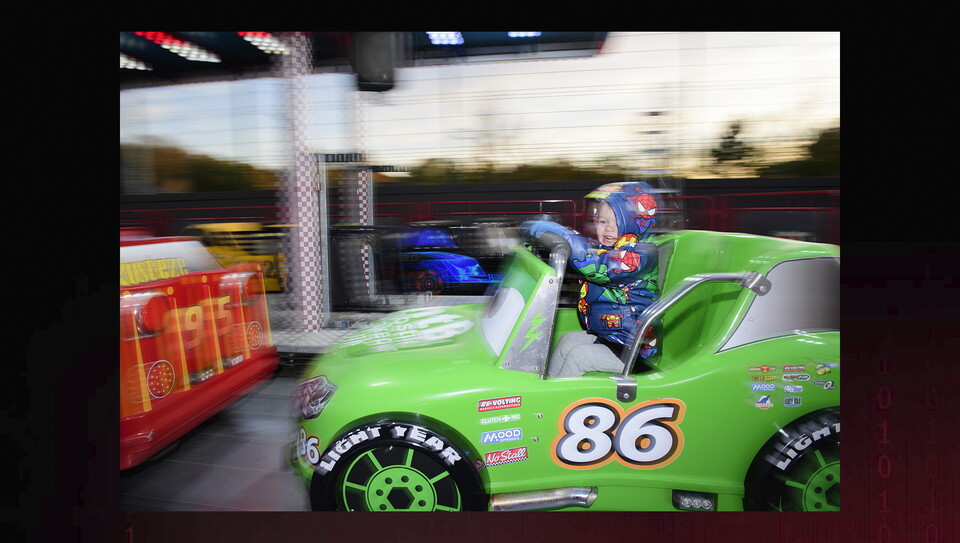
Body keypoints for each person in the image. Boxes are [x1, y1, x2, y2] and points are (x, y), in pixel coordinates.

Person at [521, 182, 661, 377]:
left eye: (617, 222)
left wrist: (562, 233)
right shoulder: (606, 249)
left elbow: (598, 266)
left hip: (636, 349)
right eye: (602, 222)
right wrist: (539, 243)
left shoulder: (643, 254)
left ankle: (560, 402)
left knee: (579, 356)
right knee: (566, 342)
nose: (608, 229)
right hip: (612, 338)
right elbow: (581, 249)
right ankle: (546, 388)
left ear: (634, 223)